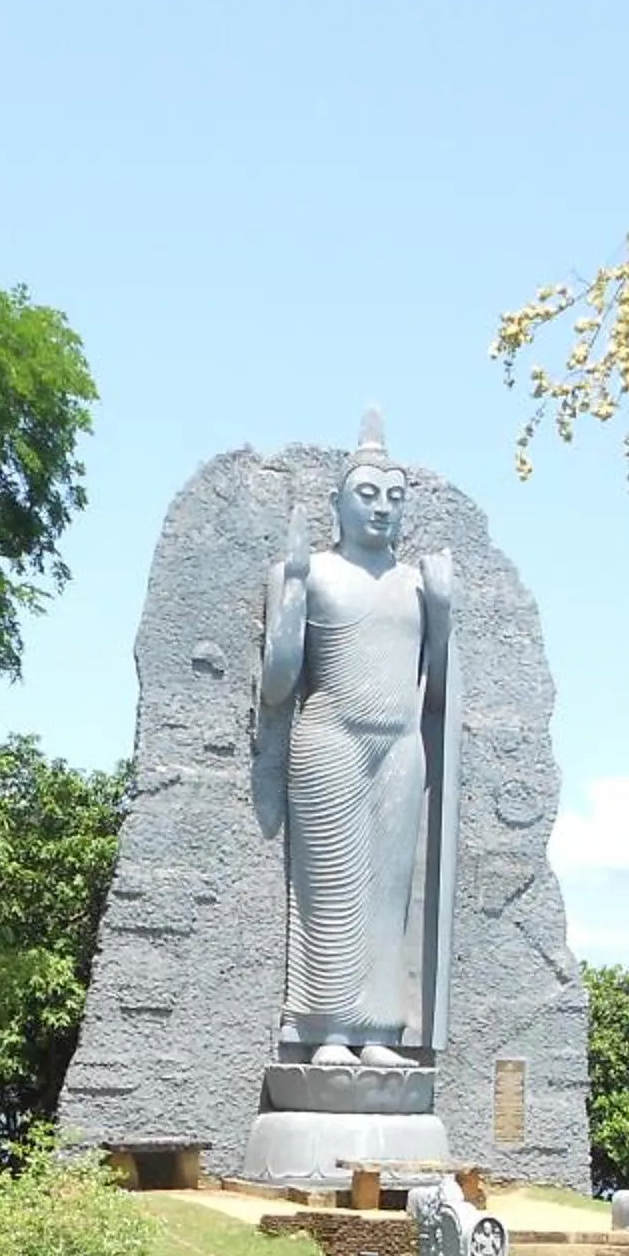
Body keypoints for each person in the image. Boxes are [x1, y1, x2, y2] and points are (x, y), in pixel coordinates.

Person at [256, 417, 453, 1066]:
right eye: (367, 493)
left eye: (395, 498)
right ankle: (323, 1028)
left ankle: (380, 1032)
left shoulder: (419, 586)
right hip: (331, 740)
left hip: (401, 747)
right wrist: (288, 586)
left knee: (388, 896)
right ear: (338, 503)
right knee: (329, 891)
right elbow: (280, 682)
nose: (382, 508)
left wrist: (444, 614)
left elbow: (438, 698)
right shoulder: (314, 573)